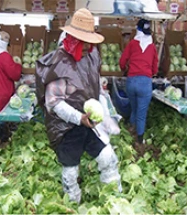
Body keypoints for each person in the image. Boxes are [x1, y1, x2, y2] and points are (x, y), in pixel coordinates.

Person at [36, 8, 122, 203]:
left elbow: (96, 87)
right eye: (84, 43)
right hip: (66, 127)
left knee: (107, 157)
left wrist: (106, 114)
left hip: (90, 122)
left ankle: (115, 198)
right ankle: (73, 203)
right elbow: (54, 103)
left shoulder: (91, 56)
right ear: (72, 39)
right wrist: (79, 118)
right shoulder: (59, 63)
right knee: (70, 169)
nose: (87, 48)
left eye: (89, 43)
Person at [119, 19, 158, 146]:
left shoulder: (132, 44)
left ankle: (130, 131)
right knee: (141, 113)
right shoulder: (152, 47)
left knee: (134, 108)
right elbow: (155, 68)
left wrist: (124, 69)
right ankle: (140, 141)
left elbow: (122, 61)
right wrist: (150, 73)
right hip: (145, 83)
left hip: (131, 82)